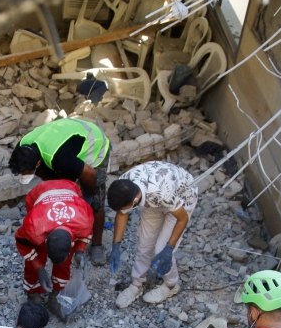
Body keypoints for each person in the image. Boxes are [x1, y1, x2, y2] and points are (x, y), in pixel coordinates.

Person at [10, 118, 111, 266]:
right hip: (67, 139)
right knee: (60, 185)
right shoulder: (23, 148)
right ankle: (64, 229)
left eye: (31, 172)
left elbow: (90, 175)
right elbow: (45, 174)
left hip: (93, 144)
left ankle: (97, 245)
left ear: (38, 163)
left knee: (96, 203)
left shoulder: (59, 159)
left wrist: (87, 198)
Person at [106, 161, 199, 308]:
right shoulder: (125, 184)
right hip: (153, 198)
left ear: (135, 201)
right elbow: (122, 214)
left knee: (161, 248)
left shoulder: (161, 193)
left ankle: (171, 285)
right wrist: (116, 245)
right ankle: (137, 284)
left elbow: (182, 219)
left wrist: (169, 249)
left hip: (181, 196)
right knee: (145, 243)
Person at [14, 179, 93, 317]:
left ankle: (55, 294)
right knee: (37, 252)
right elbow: (22, 242)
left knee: (65, 263)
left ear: (71, 244)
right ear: (45, 241)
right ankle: (33, 294)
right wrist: (39, 268)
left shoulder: (85, 220)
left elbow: (86, 235)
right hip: (38, 195)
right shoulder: (34, 226)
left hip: (70, 188)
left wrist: (79, 252)